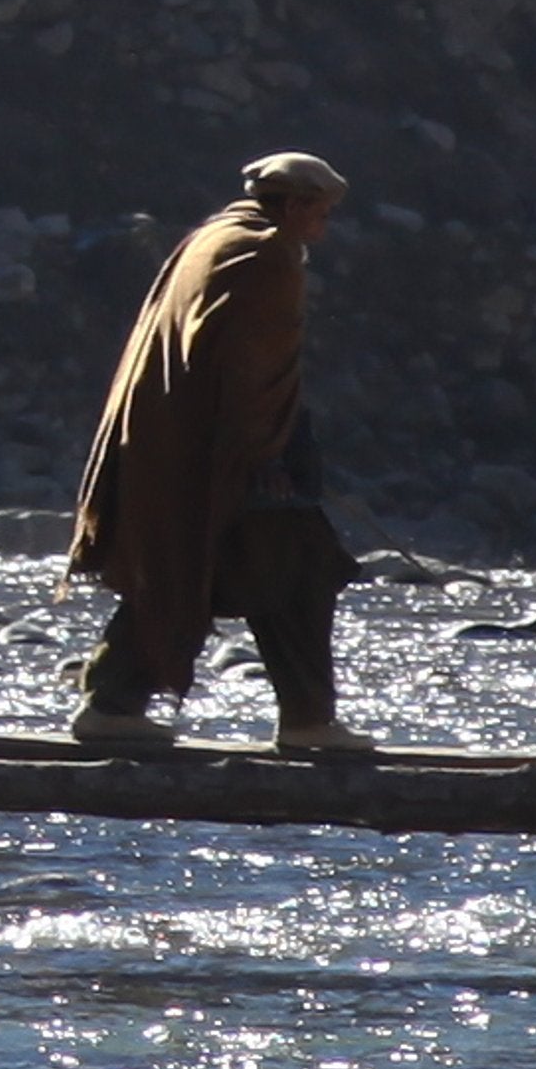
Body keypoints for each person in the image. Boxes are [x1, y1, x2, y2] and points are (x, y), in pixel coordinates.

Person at [64, 152, 373, 756]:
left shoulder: (213, 237)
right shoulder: (266, 254)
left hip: (176, 448)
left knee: (188, 571)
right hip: (227, 456)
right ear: (294, 205)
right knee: (300, 571)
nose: (324, 226)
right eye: (321, 213)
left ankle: (112, 703)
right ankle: (306, 721)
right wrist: (268, 457)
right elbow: (247, 368)